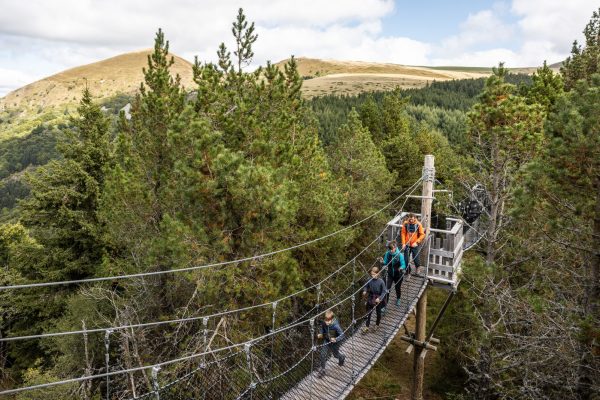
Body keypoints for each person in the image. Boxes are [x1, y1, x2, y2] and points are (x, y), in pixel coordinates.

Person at [317, 309, 346, 377]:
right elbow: (322, 328)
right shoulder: (324, 322)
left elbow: (343, 335)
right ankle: (323, 370)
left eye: (328, 321)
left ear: (332, 319)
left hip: (335, 342)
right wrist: (321, 333)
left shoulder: (336, 326)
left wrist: (336, 339)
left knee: (335, 355)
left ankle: (342, 357)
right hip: (327, 340)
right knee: (322, 354)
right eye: (326, 320)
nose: (327, 322)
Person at [380, 240, 406, 306]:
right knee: (387, 289)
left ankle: (398, 299)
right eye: (389, 249)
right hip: (390, 274)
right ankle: (384, 306)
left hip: (398, 275)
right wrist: (382, 261)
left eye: (391, 249)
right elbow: (386, 262)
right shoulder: (387, 254)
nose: (390, 250)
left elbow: (403, 264)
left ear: (395, 247)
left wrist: (401, 268)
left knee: (397, 288)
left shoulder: (400, 255)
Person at [362, 266, 386, 334]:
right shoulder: (369, 279)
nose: (372, 276)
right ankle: (367, 326)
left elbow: (384, 291)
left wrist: (380, 298)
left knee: (378, 313)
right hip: (371, 297)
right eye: (371, 274)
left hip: (378, 298)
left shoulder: (381, 281)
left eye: (374, 274)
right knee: (368, 312)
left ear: (377, 273)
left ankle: (377, 324)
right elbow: (366, 286)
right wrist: (365, 290)